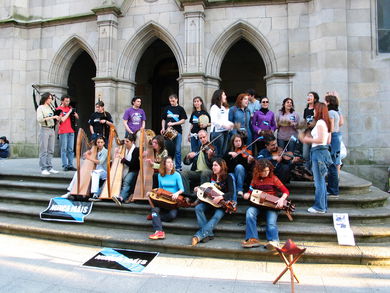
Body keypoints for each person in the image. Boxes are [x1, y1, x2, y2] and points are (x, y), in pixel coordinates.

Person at [299, 102, 338, 213]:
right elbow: (327, 140)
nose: (314, 111)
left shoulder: (321, 122)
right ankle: (322, 206)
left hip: (319, 152)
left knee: (319, 181)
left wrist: (307, 140)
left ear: (319, 110)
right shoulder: (323, 122)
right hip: (321, 151)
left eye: (315, 109)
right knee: (320, 181)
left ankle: (319, 207)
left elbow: (321, 140)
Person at [241, 159, 289, 249]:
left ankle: (274, 241)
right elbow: (250, 191)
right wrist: (247, 194)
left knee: (271, 222)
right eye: (264, 171)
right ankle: (253, 239)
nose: (266, 172)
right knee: (250, 212)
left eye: (268, 170)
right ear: (258, 171)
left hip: (271, 205)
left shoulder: (273, 178)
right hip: (257, 205)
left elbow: (285, 191)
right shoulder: (255, 179)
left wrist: (282, 200)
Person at [192, 158, 234, 246]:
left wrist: (221, 197)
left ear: (221, 167)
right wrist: (198, 188)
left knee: (217, 216)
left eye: (216, 165)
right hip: (210, 202)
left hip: (222, 204)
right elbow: (207, 190)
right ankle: (209, 234)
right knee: (198, 208)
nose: (213, 167)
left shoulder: (228, 177)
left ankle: (199, 236)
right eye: (213, 165)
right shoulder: (212, 176)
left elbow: (231, 192)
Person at [147, 156, 184, 240]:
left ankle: (155, 217)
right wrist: (151, 192)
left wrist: (176, 193)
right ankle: (159, 231)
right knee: (155, 209)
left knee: (172, 215)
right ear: (164, 164)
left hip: (172, 201)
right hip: (162, 200)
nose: (171, 164)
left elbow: (182, 189)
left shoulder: (177, 175)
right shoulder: (160, 175)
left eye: (172, 162)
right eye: (168, 162)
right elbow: (160, 188)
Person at [161, 94, 187, 171]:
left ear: (177, 99)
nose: (171, 102)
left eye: (173, 101)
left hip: (178, 131)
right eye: (170, 101)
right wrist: (163, 128)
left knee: (178, 150)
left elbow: (183, 120)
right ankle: (168, 166)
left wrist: (173, 124)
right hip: (168, 132)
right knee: (168, 149)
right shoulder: (167, 108)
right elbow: (163, 119)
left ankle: (178, 167)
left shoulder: (180, 109)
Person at [112, 133, 140, 205]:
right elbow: (116, 160)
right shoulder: (124, 149)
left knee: (126, 181)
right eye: (125, 141)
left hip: (134, 170)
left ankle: (121, 198)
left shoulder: (136, 150)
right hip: (126, 170)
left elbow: (133, 165)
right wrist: (116, 153)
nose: (125, 143)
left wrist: (123, 159)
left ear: (132, 142)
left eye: (127, 141)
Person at [224, 134, 255, 200]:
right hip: (232, 174)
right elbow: (224, 162)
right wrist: (230, 154)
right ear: (233, 142)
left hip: (242, 175)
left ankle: (240, 189)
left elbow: (247, 168)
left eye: (239, 141)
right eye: (236, 141)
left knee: (239, 167)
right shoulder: (229, 152)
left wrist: (249, 162)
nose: (238, 143)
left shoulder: (245, 152)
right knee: (232, 174)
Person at [36, 92, 60, 175]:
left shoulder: (50, 107)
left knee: (51, 149)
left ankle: (49, 167)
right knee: (44, 149)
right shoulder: (41, 108)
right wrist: (53, 117)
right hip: (44, 129)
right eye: (50, 98)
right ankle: (43, 168)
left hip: (51, 129)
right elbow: (39, 119)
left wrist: (57, 118)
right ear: (46, 99)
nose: (51, 100)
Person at [56, 95, 79, 171]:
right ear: (62, 101)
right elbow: (62, 120)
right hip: (63, 131)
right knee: (64, 149)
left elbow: (77, 117)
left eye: (68, 101)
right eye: (66, 101)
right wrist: (69, 112)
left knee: (70, 149)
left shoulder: (69, 108)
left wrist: (75, 115)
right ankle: (65, 165)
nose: (68, 102)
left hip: (71, 130)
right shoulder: (59, 109)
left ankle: (70, 165)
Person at [209, 89, 233, 157]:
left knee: (223, 153)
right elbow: (214, 120)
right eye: (224, 95)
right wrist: (224, 125)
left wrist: (231, 124)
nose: (225, 96)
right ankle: (216, 166)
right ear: (219, 96)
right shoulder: (214, 107)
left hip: (225, 132)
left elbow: (225, 120)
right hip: (217, 132)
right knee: (217, 153)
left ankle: (221, 167)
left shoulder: (223, 107)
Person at [325, 94, 343, 176]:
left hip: (333, 135)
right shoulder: (336, 112)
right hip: (337, 134)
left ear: (328, 102)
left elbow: (331, 127)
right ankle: (337, 176)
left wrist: (328, 137)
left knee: (334, 157)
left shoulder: (330, 113)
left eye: (325, 101)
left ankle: (335, 177)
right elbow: (340, 123)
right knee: (336, 157)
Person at [302, 91, 319, 170]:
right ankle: (306, 172)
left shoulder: (317, 109)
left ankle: (313, 172)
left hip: (315, 135)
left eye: (311, 96)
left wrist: (313, 124)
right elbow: (305, 121)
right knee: (305, 154)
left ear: (315, 99)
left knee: (314, 153)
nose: (308, 97)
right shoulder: (306, 110)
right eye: (308, 96)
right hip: (307, 133)